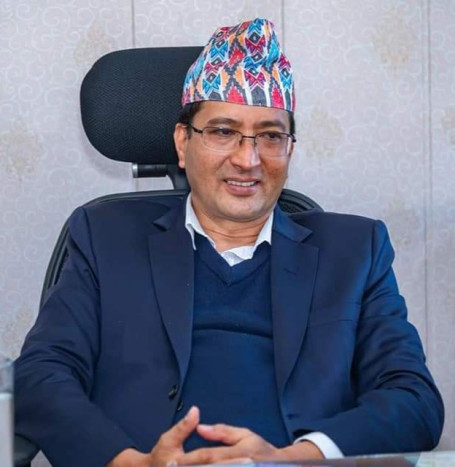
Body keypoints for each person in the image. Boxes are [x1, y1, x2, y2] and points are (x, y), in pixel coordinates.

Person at [15, 18, 443, 467]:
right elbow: (39, 376)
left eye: (271, 136)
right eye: (222, 131)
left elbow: (412, 399)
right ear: (183, 142)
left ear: (290, 150)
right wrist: (129, 463)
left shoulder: (355, 250)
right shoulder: (106, 237)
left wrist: (297, 457)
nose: (248, 159)